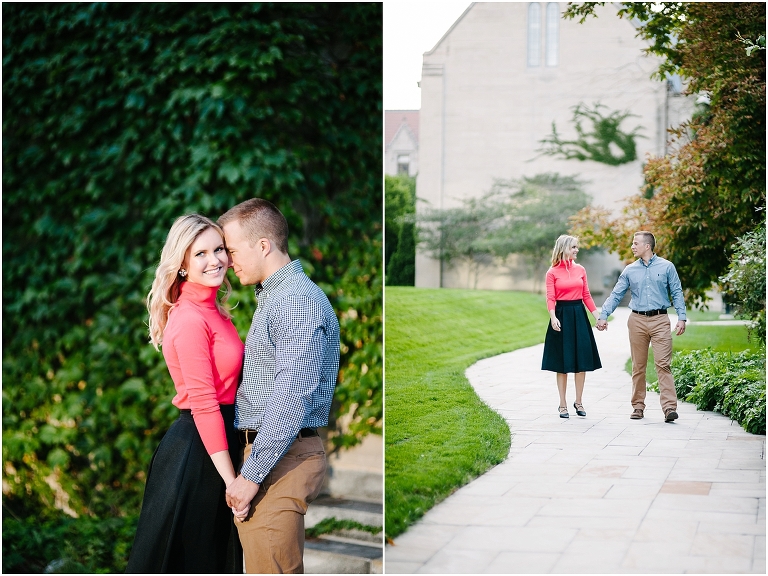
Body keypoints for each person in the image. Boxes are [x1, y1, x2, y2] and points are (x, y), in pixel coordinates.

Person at [219, 198, 340, 574]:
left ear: (263, 245)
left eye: (232, 250)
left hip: (280, 460)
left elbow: (292, 395)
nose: (228, 261)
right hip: (274, 456)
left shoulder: (295, 302)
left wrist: (251, 475)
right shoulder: (277, 298)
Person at [127, 214, 246, 573]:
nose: (215, 260)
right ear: (181, 264)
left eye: (219, 249)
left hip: (219, 443)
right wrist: (232, 482)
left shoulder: (215, 311)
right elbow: (205, 405)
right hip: (199, 452)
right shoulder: (190, 318)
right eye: (201, 254)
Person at [596, 231, 686, 422]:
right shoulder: (629, 270)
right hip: (637, 320)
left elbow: (677, 292)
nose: (632, 246)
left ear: (647, 246)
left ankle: (669, 408)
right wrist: (603, 315)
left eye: (636, 243)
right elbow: (616, 294)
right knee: (638, 366)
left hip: (660, 320)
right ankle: (638, 407)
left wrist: (681, 317)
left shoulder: (667, 267)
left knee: (663, 364)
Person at [541, 235, 602, 418]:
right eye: (573, 247)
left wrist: (598, 317)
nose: (577, 250)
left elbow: (587, 295)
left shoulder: (581, 269)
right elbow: (550, 298)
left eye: (577, 247)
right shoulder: (552, 272)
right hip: (561, 315)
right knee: (562, 362)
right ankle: (562, 404)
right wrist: (553, 317)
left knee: (581, 361)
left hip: (579, 315)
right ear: (564, 248)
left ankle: (579, 402)